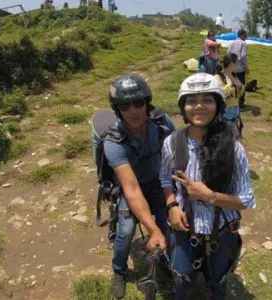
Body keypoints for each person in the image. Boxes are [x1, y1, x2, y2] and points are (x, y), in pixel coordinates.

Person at [160, 73, 256, 299]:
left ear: (218, 105)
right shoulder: (172, 143)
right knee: (182, 283)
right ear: (183, 108)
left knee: (218, 284)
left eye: (207, 100)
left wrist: (209, 196)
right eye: (192, 101)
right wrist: (172, 205)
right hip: (184, 230)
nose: (199, 106)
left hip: (221, 232)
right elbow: (165, 180)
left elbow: (246, 199)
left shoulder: (233, 147)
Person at [104, 75, 176, 298]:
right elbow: (132, 188)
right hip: (133, 188)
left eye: (138, 103)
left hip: (158, 182)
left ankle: (164, 258)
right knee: (125, 232)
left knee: (169, 224)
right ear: (117, 109)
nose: (133, 110)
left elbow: (177, 157)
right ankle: (119, 270)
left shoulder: (163, 124)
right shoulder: (113, 141)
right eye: (125, 105)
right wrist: (151, 229)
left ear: (147, 102)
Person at [214, 54, 244, 137]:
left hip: (236, 111)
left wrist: (240, 86)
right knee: (225, 137)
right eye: (237, 63)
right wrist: (229, 85)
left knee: (234, 137)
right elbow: (220, 95)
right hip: (225, 112)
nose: (238, 65)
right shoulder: (218, 77)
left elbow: (239, 95)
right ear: (231, 64)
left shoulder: (235, 77)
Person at [228, 29, 248, 109]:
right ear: (242, 35)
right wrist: (246, 67)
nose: (246, 37)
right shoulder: (243, 44)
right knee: (241, 85)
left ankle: (233, 101)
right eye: (245, 35)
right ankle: (240, 103)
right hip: (240, 68)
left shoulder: (231, 43)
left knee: (232, 84)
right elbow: (243, 56)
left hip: (232, 67)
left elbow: (228, 53)